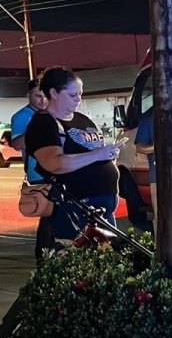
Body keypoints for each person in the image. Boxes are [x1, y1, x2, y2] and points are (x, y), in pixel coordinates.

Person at [25, 67, 124, 247]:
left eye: (80, 94)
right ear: (54, 93)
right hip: (74, 205)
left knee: (106, 260)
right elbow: (54, 163)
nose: (78, 99)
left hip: (101, 205)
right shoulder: (43, 123)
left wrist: (108, 155)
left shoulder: (81, 119)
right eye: (72, 95)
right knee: (77, 259)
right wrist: (98, 154)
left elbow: (92, 153)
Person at [11, 79, 53, 260]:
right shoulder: (21, 117)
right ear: (29, 95)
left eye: (45, 96)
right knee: (48, 214)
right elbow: (17, 144)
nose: (42, 100)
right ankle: (43, 255)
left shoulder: (52, 113)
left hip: (57, 168)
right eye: (38, 96)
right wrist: (34, 129)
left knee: (57, 214)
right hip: (38, 172)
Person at [133, 106, 156, 234]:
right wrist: (160, 145)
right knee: (161, 216)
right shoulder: (149, 116)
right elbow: (140, 147)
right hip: (158, 176)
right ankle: (161, 251)